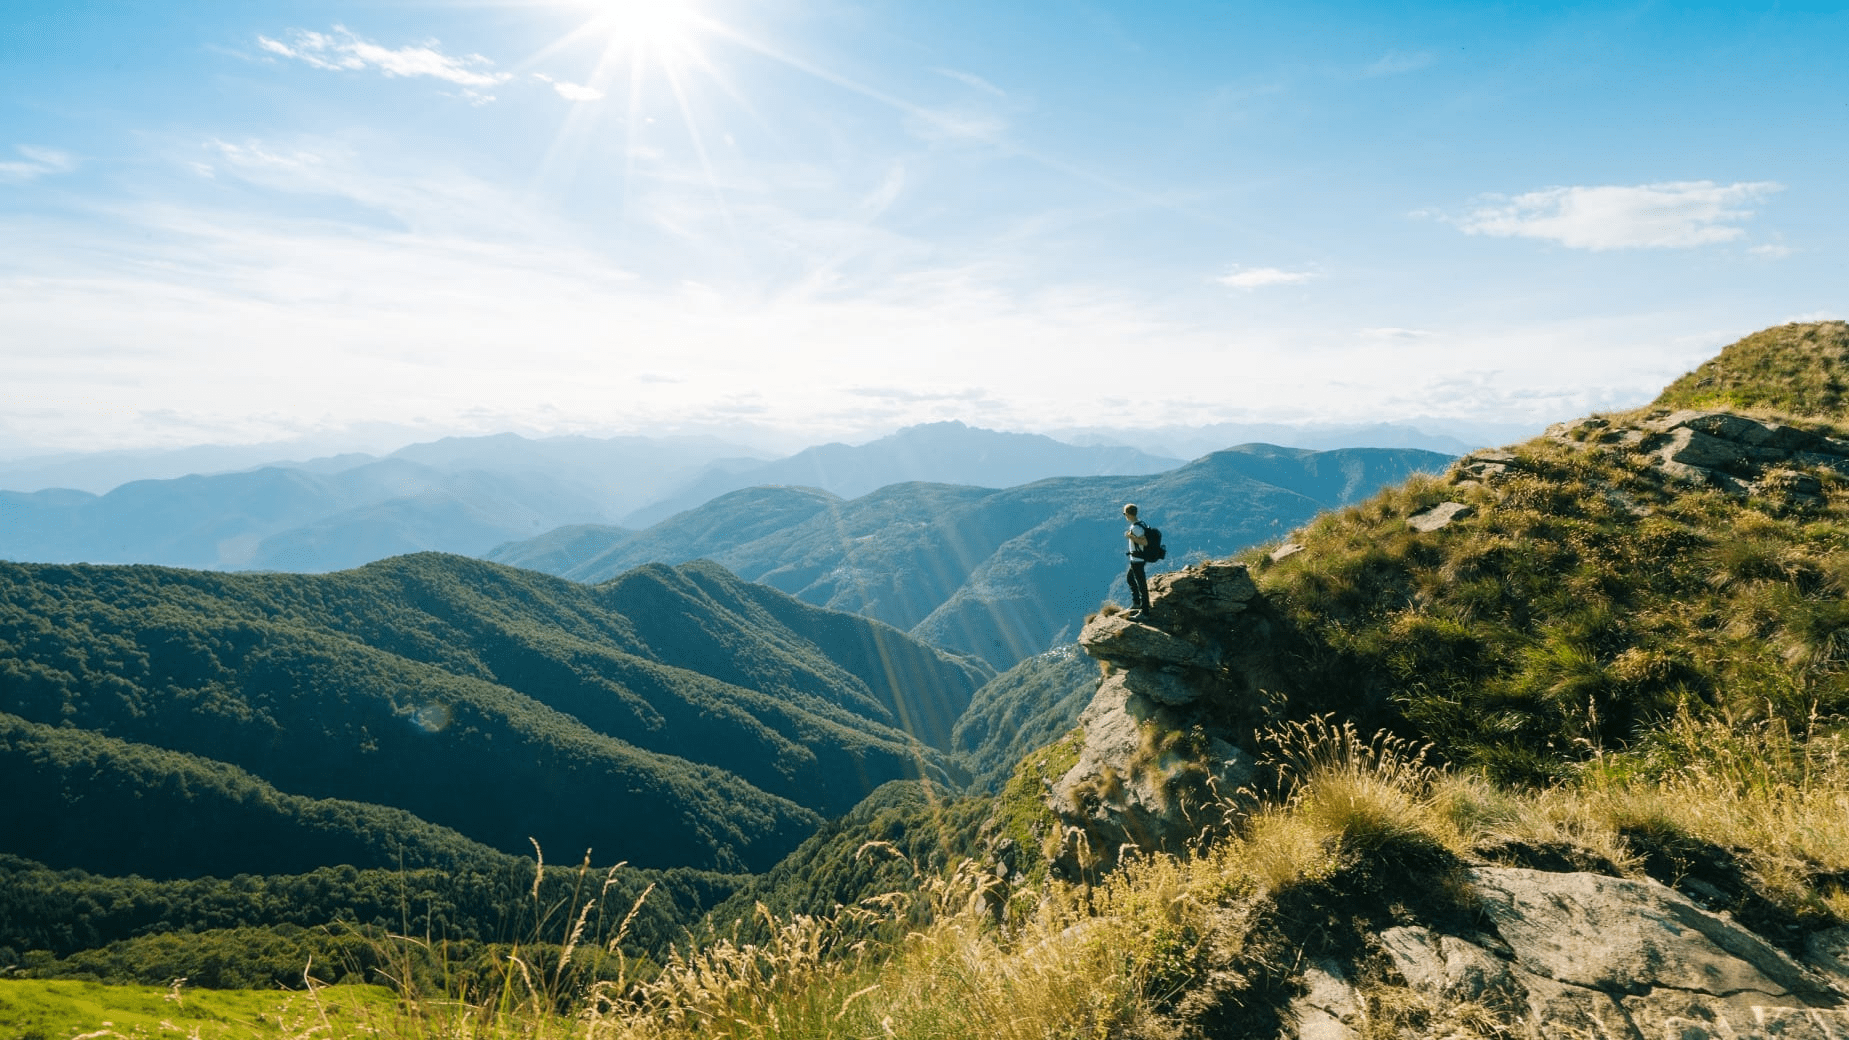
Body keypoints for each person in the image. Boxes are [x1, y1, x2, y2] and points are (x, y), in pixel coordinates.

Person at [1122, 503, 1150, 613]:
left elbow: (1144, 542)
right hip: (1137, 559)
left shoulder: (1136, 527)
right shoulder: (1141, 523)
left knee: (1141, 584)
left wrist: (1130, 536)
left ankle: (1144, 611)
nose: (1124, 516)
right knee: (1130, 578)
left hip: (1137, 560)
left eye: (1124, 513)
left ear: (1128, 514)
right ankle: (1137, 603)